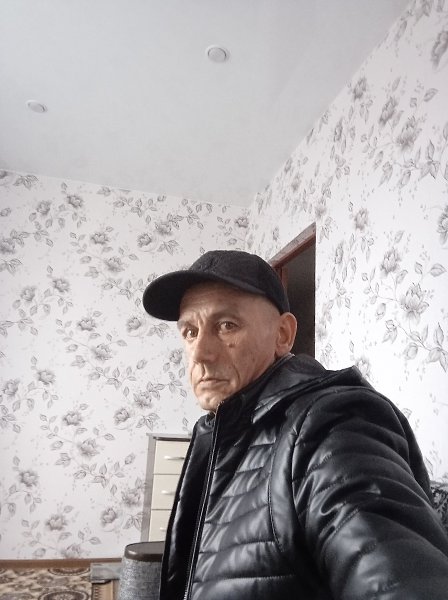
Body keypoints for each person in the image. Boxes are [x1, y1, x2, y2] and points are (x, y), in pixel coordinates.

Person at [142, 249, 448, 600]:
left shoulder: (332, 424)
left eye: (227, 325)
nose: (199, 353)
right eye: (190, 332)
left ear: (283, 335)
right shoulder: (225, 430)